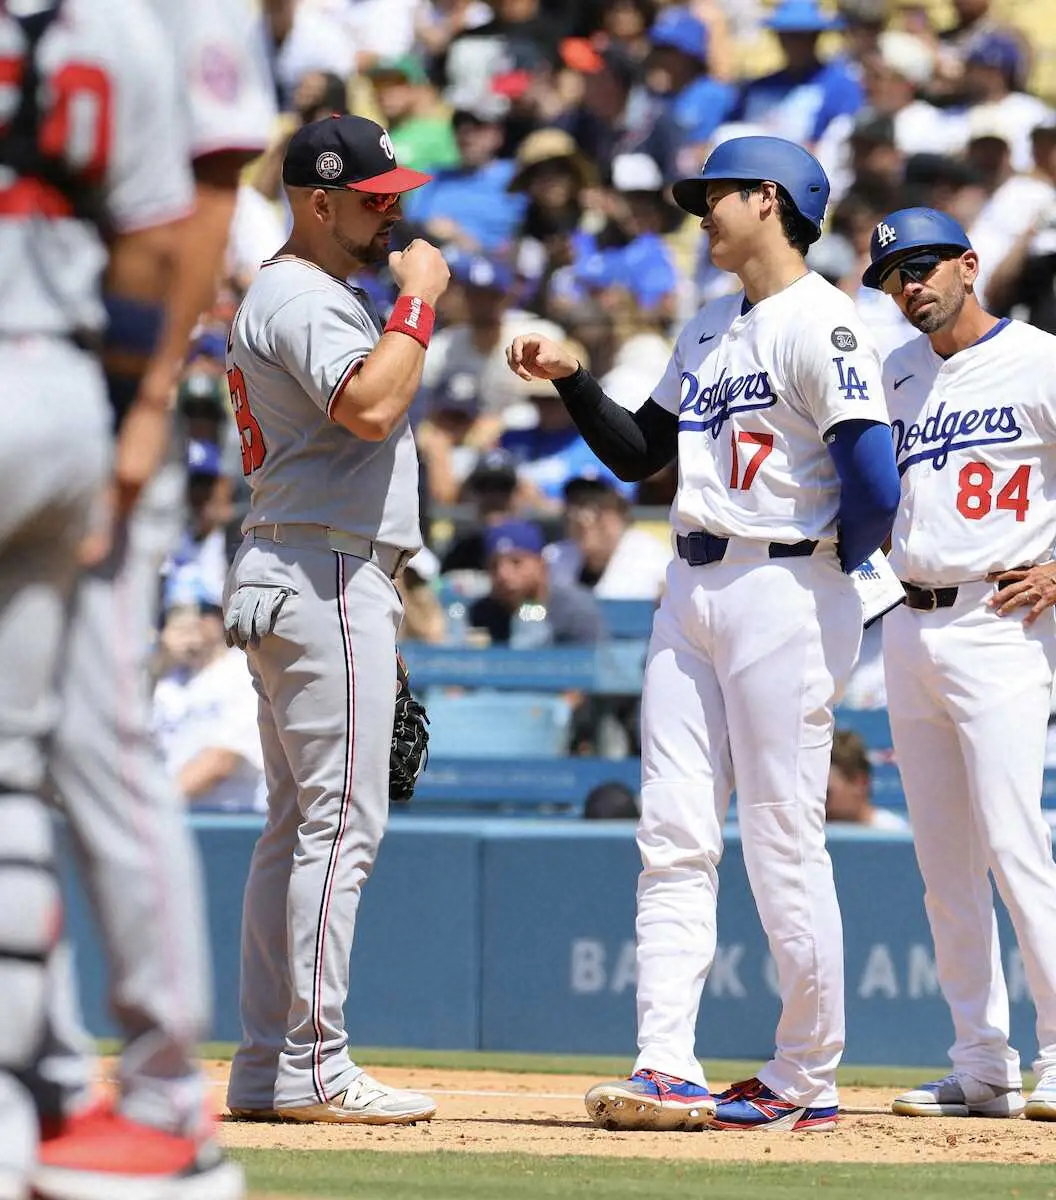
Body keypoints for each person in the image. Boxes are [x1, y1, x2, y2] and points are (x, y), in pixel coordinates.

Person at [506, 135, 900, 1132]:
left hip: (786, 585)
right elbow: (642, 452)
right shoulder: (710, 325)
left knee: (779, 839)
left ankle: (805, 1073)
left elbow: (873, 483)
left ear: (768, 199)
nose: (700, 210)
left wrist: (825, 566)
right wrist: (573, 379)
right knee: (673, 833)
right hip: (690, 583)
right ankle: (665, 1063)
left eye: (714, 195)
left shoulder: (827, 322)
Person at [0, 1, 252, 1197]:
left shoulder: (167, 13)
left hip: (85, 379)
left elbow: (196, 207)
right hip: (66, 373)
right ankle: (41, 1077)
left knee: (94, 738)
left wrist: (146, 401)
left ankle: (160, 1092)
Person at [221, 113, 449, 1124]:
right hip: (321, 569)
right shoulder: (304, 293)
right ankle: (312, 1063)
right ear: (317, 203)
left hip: (301, 561)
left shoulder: (304, 291)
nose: (391, 209)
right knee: (338, 827)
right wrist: (420, 303)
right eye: (371, 198)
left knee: (296, 828)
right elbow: (368, 405)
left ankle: (270, 1061)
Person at [861, 205, 1056, 1122]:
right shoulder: (895, 371)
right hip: (912, 619)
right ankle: (982, 1064)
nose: (911, 285)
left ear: (969, 266)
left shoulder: (1040, 358)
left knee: (1018, 849)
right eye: (896, 274)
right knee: (944, 865)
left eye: (925, 266)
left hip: (1001, 618)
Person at [152, 589, 266, 813]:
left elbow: (221, 762)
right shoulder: (167, 676)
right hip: (173, 820)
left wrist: (150, 807)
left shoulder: (245, 674)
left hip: (231, 824)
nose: (189, 621)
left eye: (203, 611)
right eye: (175, 613)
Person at [467, 519, 606, 646]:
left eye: (516, 562)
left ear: (541, 564)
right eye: (494, 566)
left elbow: (589, 665)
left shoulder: (574, 610)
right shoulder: (480, 613)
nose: (503, 574)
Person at [546, 475, 671, 600]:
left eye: (598, 507)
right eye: (576, 505)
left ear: (621, 515)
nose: (585, 519)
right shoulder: (554, 556)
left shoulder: (651, 556)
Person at [826, 730, 909, 831]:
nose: (822, 802)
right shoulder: (809, 835)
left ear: (860, 783)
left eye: (827, 793)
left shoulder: (897, 833)